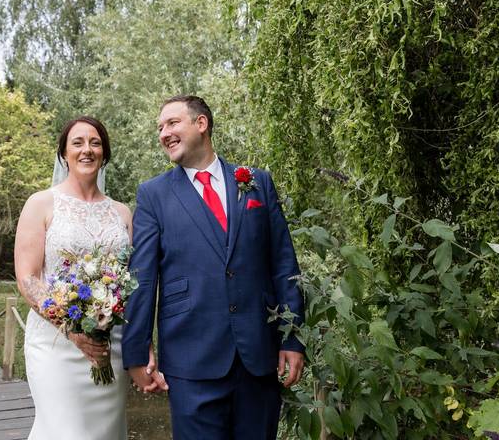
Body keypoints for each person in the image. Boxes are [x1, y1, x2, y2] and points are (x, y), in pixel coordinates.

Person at [122, 95, 305, 440]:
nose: (163, 133)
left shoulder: (256, 182)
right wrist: (136, 351)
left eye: (172, 123)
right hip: (191, 358)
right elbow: (141, 278)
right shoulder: (153, 195)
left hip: (258, 356)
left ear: (201, 124)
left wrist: (292, 339)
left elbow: (284, 263)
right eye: (159, 128)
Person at [15, 116, 160, 439]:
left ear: (104, 154)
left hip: (111, 343)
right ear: (64, 154)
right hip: (56, 343)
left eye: (95, 143)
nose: (87, 150)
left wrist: (140, 342)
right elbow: (28, 278)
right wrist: (70, 327)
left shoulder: (122, 212)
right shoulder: (40, 204)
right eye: (77, 143)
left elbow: (132, 281)